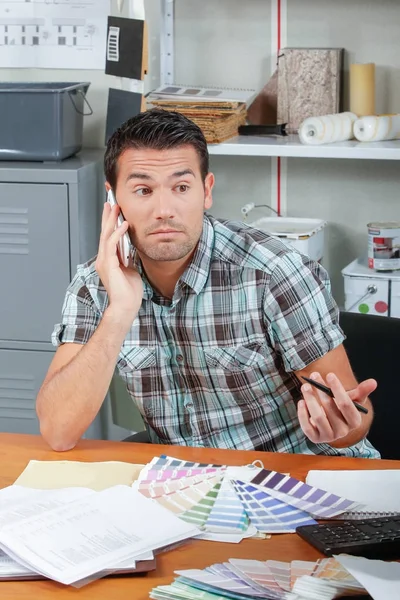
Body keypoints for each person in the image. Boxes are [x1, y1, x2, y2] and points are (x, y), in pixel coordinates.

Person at [36, 109, 379, 458]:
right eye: (143, 190)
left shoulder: (273, 272)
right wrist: (120, 311)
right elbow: (58, 432)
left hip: (299, 477)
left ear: (206, 190)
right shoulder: (94, 285)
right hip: (188, 491)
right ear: (113, 201)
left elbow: (353, 427)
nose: (164, 209)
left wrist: (340, 427)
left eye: (181, 187)